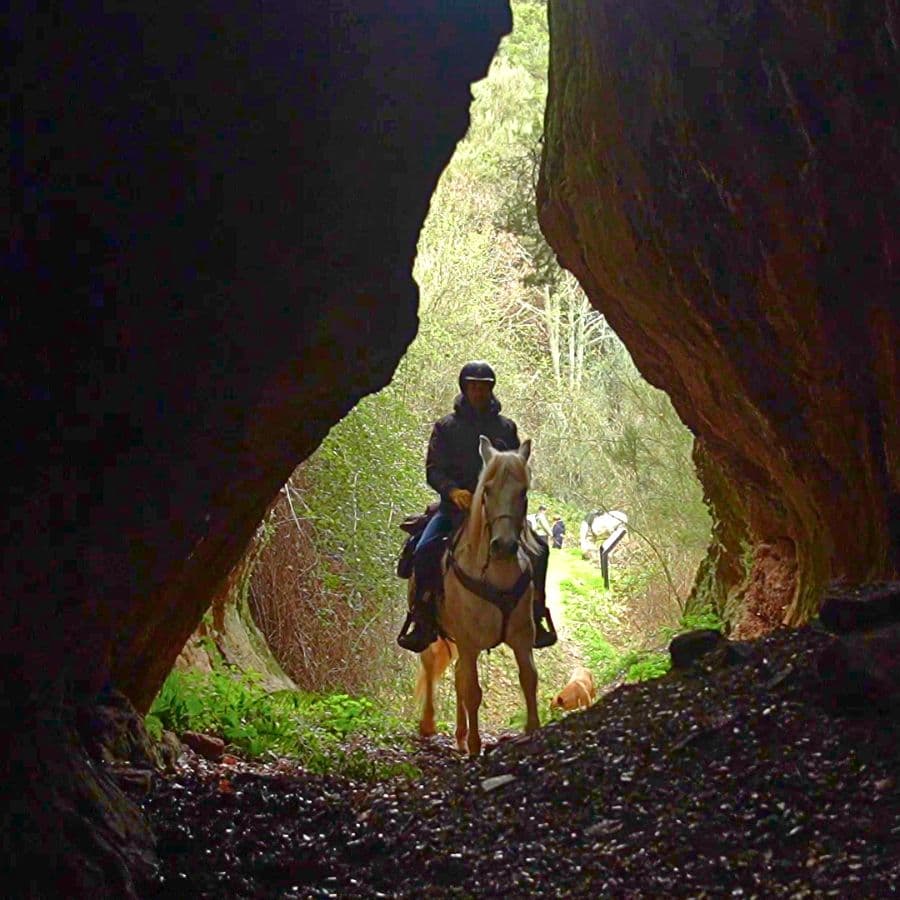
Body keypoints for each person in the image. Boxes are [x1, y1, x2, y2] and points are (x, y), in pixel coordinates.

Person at [397, 361, 557, 653]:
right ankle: (422, 619)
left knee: (540, 550)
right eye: (473, 386)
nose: (478, 392)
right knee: (424, 550)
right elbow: (433, 470)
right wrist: (453, 491)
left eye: (483, 387)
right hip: (455, 510)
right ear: (464, 388)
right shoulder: (445, 427)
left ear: (491, 389)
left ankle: (536, 614)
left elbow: (516, 469)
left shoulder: (506, 428)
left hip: (499, 512)